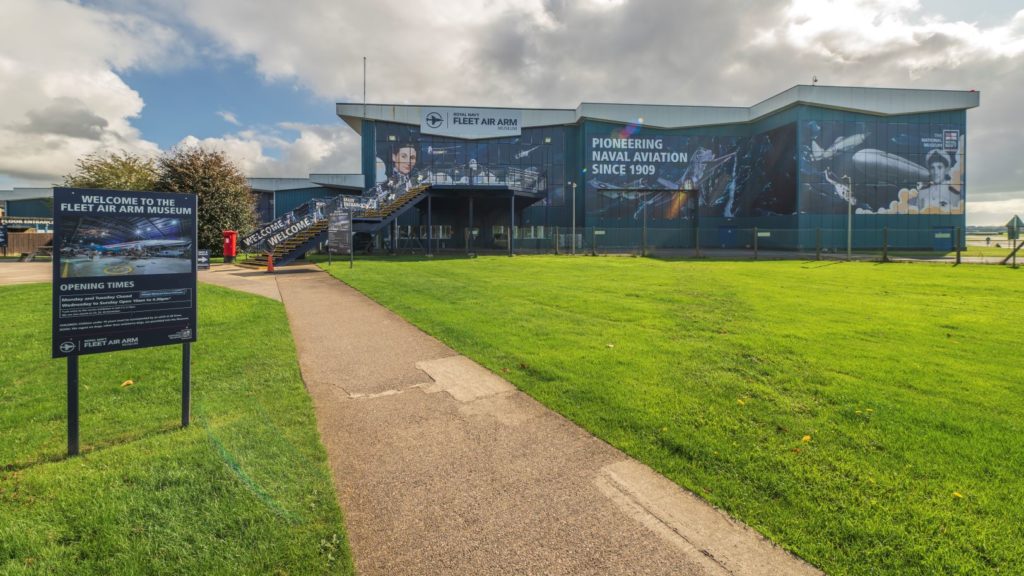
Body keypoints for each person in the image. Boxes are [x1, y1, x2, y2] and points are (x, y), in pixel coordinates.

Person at [369, 140, 420, 208]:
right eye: (404, 156)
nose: (408, 162)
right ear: (394, 157)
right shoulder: (385, 175)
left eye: (412, 158)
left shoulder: (415, 175)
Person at [913, 149, 961, 213]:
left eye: (939, 167)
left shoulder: (954, 194)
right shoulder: (922, 192)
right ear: (929, 170)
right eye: (932, 168)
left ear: (946, 170)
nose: (935, 172)